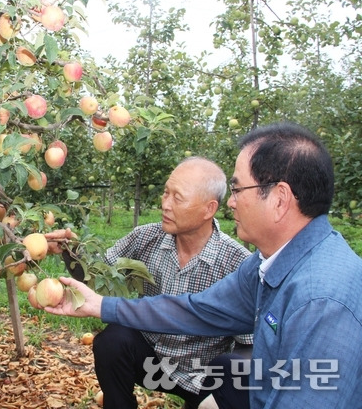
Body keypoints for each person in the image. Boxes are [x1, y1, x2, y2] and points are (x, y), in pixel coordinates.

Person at [46, 123, 362, 409]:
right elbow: (194, 310)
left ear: (279, 200)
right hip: (170, 368)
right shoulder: (268, 265)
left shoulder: (321, 300)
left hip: (207, 375)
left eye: (238, 189)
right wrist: (100, 305)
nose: (232, 201)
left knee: (229, 370)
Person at [48, 157, 252, 408]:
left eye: (177, 198)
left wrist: (223, 397)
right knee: (112, 341)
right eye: (165, 193)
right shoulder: (146, 237)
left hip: (202, 373)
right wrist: (71, 250)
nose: (165, 204)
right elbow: (95, 276)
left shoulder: (237, 263)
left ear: (208, 209)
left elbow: (248, 345)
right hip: (152, 359)